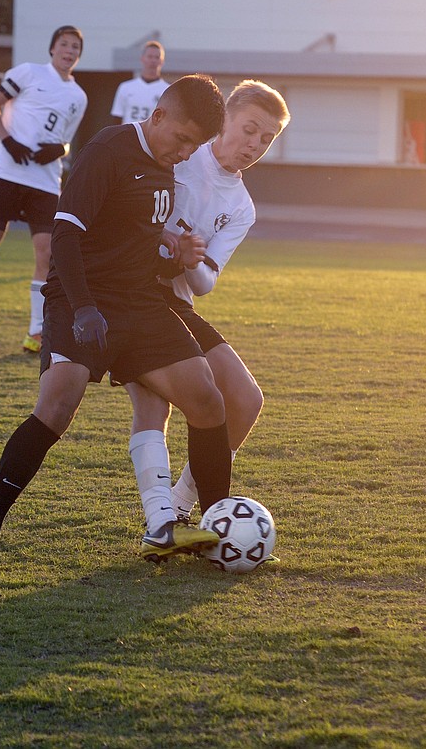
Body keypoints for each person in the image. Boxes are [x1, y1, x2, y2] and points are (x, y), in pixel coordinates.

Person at [0, 75, 228, 572]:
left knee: (208, 399)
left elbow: (136, 247)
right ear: (159, 115)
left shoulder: (166, 166)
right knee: (58, 406)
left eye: (197, 145)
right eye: (183, 139)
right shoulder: (109, 149)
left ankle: (216, 532)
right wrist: (83, 308)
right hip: (78, 297)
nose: (187, 152)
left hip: (138, 303)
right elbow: (64, 234)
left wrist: (174, 259)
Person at [124, 80, 290, 523]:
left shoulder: (242, 206)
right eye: (249, 129)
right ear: (225, 121)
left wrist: (190, 256)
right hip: (127, 290)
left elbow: (204, 283)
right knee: (153, 406)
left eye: (267, 138)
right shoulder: (182, 152)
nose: (254, 144)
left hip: (176, 302)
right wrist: (170, 242)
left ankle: (181, 502)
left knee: (246, 400)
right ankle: (160, 523)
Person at [0, 25, 88, 356]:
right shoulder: (28, 73)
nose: (69, 51)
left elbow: (65, 139)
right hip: (7, 175)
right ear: (52, 48)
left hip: (44, 183)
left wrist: (59, 150)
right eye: (64, 44)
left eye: (75, 47)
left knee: (46, 254)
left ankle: (36, 334)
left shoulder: (79, 96)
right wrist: (8, 140)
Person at [109, 40, 170, 125]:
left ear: (162, 61)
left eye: (157, 57)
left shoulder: (167, 91)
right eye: (150, 56)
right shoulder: (126, 87)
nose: (153, 60)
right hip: (128, 136)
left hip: (152, 138)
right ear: (142, 59)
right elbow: (117, 118)